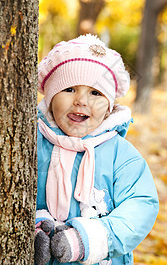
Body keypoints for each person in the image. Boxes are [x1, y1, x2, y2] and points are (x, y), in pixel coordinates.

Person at [35, 34, 159, 265]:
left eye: (95, 93)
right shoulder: (34, 144)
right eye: (70, 89)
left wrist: (91, 239)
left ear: (109, 107)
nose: (82, 101)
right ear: (51, 98)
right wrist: (35, 225)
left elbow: (141, 204)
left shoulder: (120, 154)